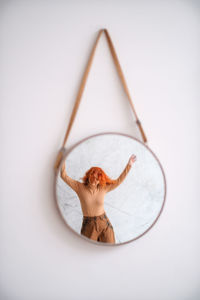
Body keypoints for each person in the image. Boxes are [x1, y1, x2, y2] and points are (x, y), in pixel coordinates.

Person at [60, 154, 136, 244]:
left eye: (97, 179)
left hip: (104, 224)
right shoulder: (79, 187)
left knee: (110, 251)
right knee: (88, 252)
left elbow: (119, 181)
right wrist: (63, 159)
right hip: (89, 226)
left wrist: (129, 165)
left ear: (100, 180)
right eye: (93, 177)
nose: (94, 180)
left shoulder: (103, 188)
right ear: (88, 176)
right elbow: (63, 175)